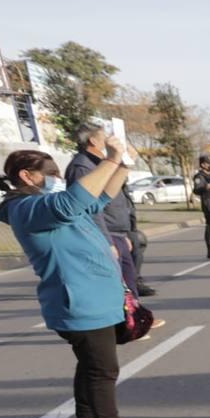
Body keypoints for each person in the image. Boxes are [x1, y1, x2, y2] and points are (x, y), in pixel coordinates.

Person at [0, 143, 157, 418]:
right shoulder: (27, 209)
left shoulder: (48, 202)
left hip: (94, 298)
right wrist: (109, 159)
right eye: (51, 174)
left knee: (91, 365)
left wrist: (122, 164)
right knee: (103, 370)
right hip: (79, 302)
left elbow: (100, 198)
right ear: (27, 176)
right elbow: (74, 200)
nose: (58, 178)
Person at [64, 121, 152, 296]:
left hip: (117, 232)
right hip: (105, 234)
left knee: (129, 281)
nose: (111, 143)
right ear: (93, 141)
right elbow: (90, 208)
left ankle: (134, 319)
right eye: (105, 138)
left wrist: (124, 233)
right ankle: (124, 321)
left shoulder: (100, 164)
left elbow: (111, 195)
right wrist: (108, 241)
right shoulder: (82, 166)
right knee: (117, 287)